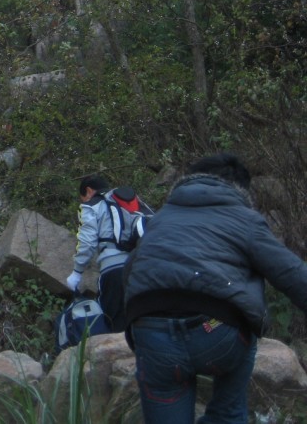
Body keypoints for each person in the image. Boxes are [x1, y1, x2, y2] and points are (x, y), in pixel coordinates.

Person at [124, 153, 307, 423]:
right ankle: (225, 416)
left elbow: (130, 270)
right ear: (241, 189)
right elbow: (290, 272)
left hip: (153, 335)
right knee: (244, 322)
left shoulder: (160, 219)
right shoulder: (245, 219)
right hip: (216, 333)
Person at [66, 174, 140, 333]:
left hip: (113, 271)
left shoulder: (91, 206)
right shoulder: (130, 202)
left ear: (88, 191)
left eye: (82, 198)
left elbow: (87, 242)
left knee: (115, 324)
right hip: (141, 267)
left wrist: (77, 272)